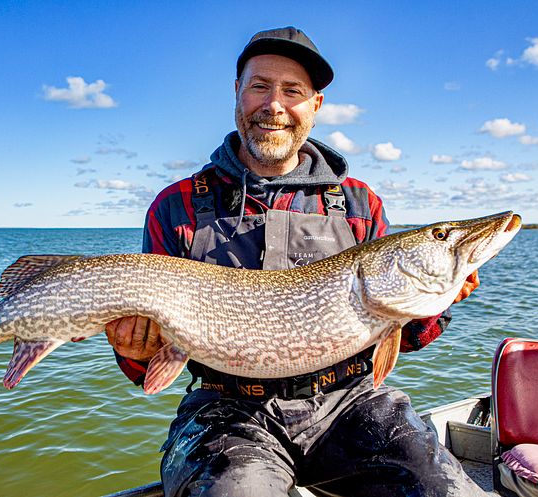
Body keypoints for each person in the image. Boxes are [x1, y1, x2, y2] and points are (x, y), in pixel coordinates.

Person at [106, 27, 485, 497]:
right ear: (237, 93)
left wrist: (433, 304)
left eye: (293, 91)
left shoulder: (360, 203)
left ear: (316, 105)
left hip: (352, 406)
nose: (274, 105)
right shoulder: (179, 204)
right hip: (226, 415)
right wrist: (135, 350)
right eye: (260, 86)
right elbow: (149, 360)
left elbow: (402, 334)